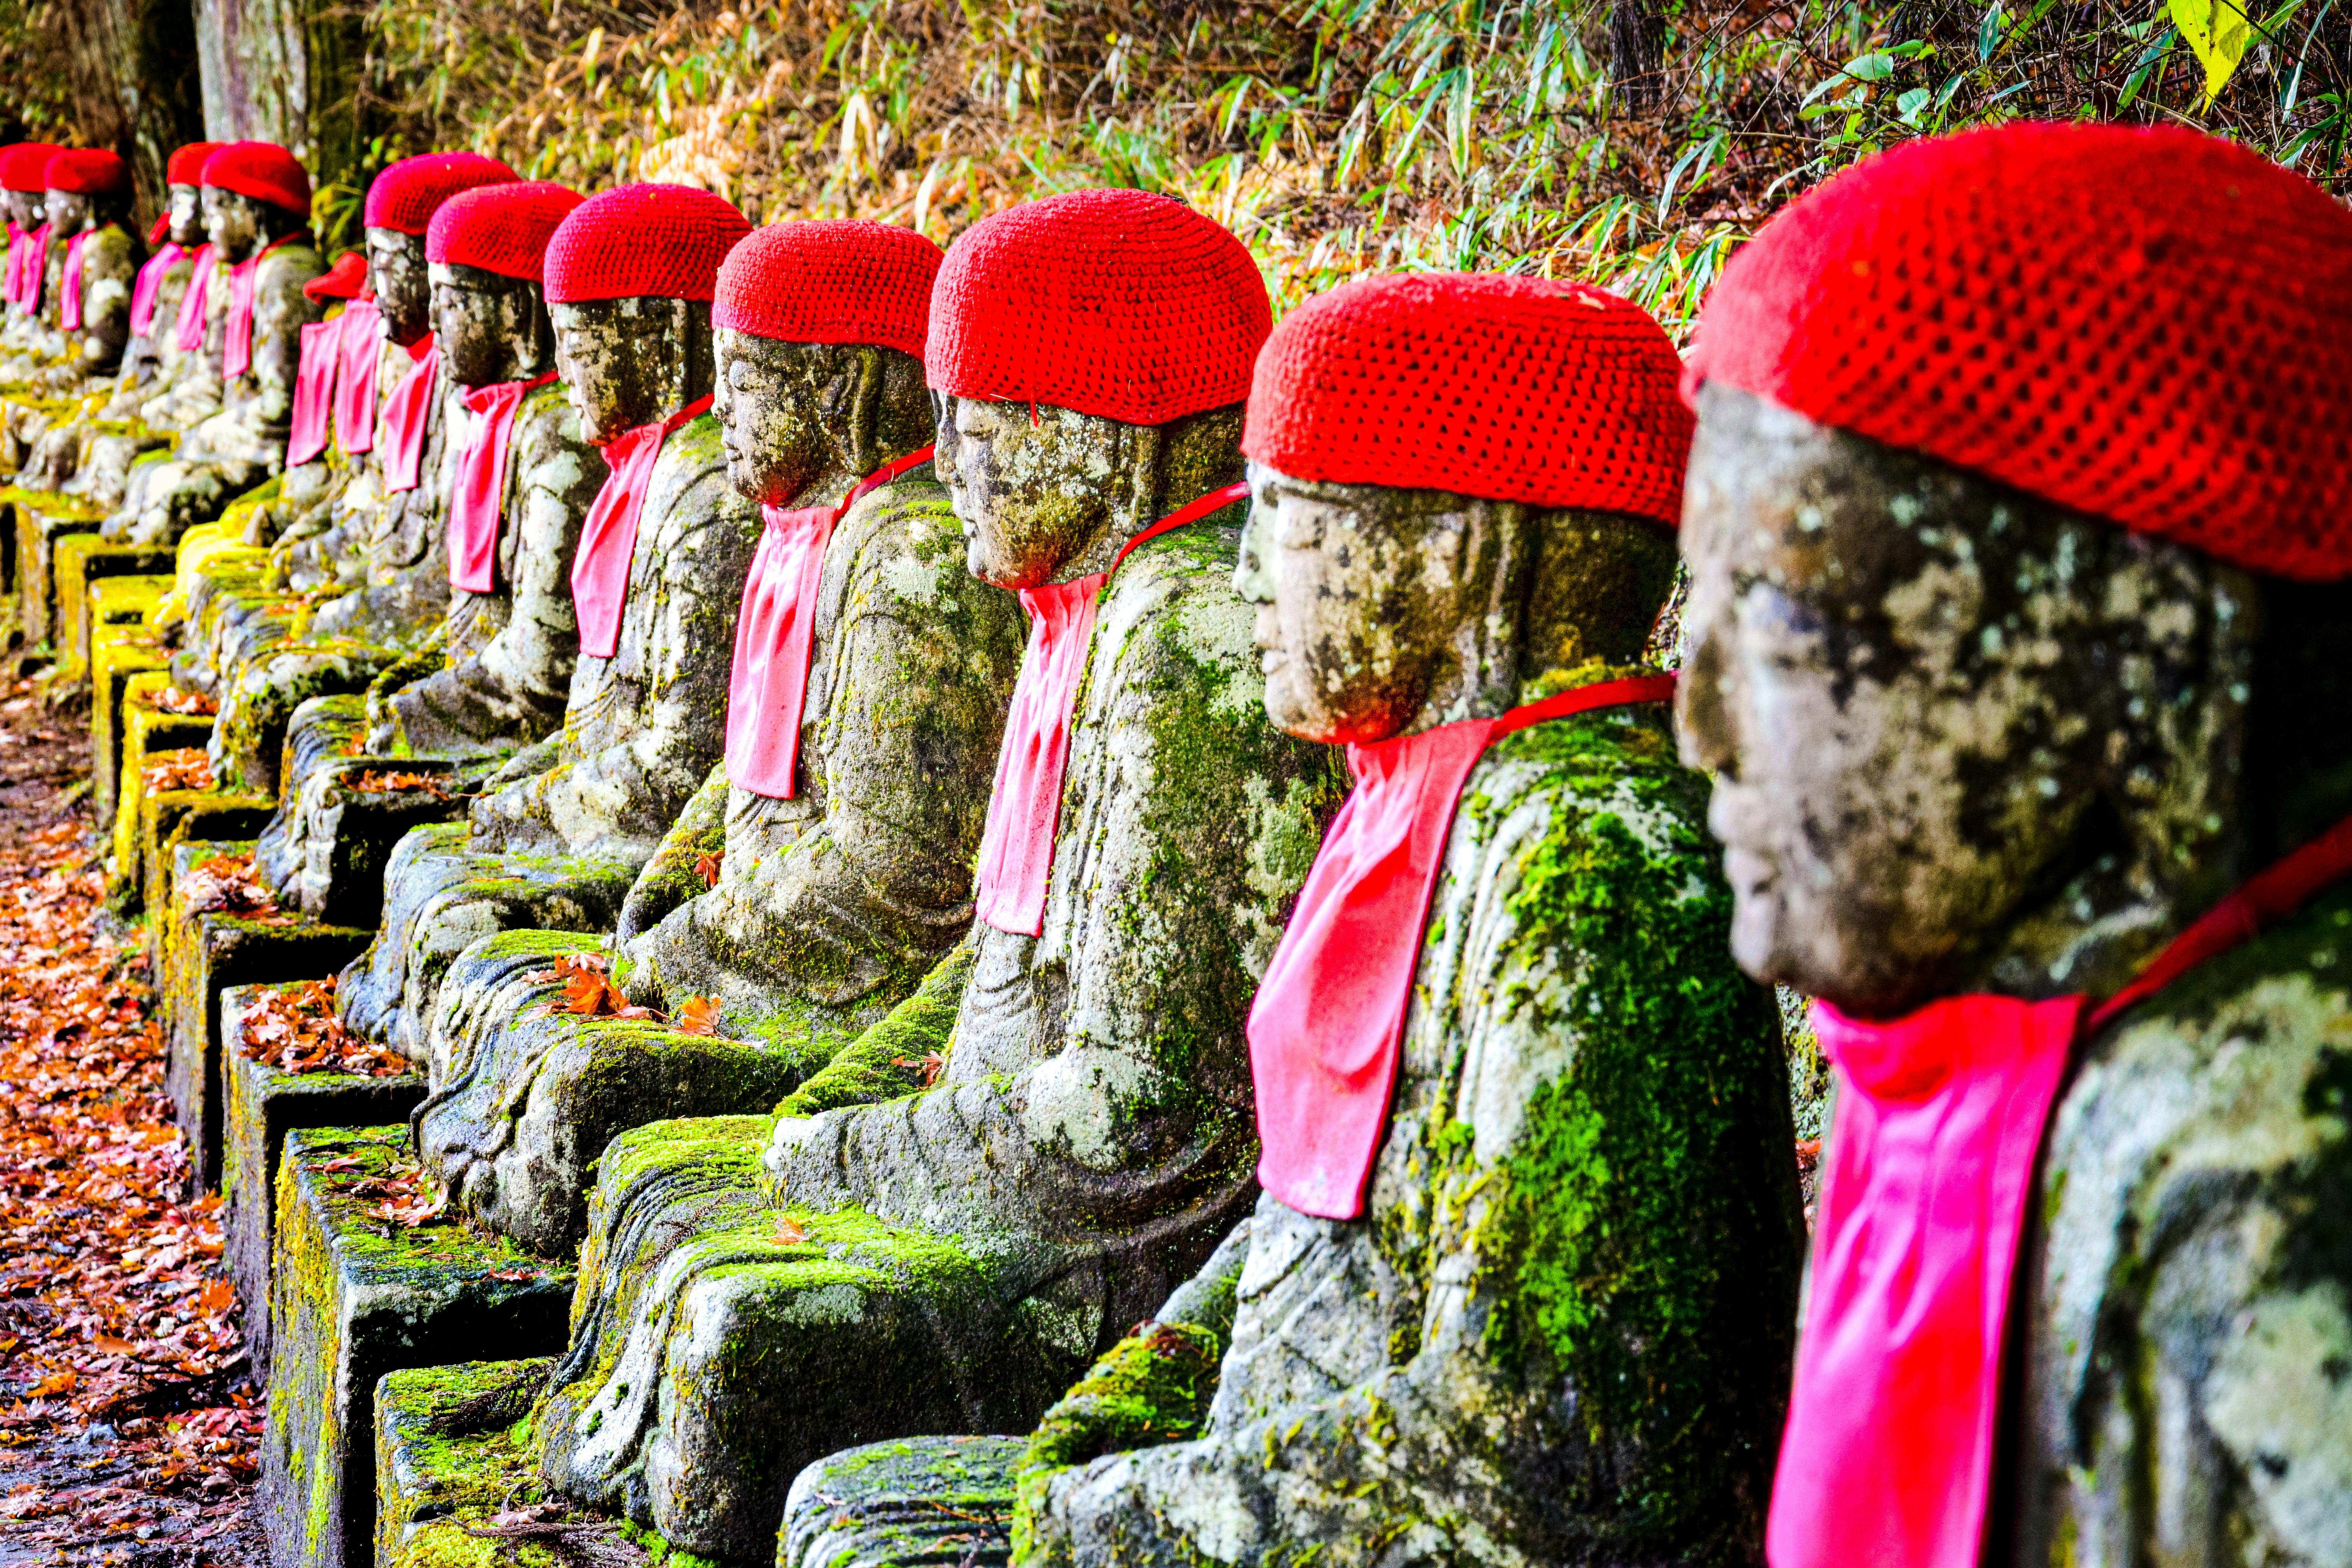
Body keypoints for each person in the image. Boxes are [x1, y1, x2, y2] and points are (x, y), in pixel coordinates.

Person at [1669, 122, 2352, 1568]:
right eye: (1700, 606)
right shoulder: (1952, 1046)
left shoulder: (2264, 1165)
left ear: (2146, 652)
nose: (1700, 723)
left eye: (1788, 616)